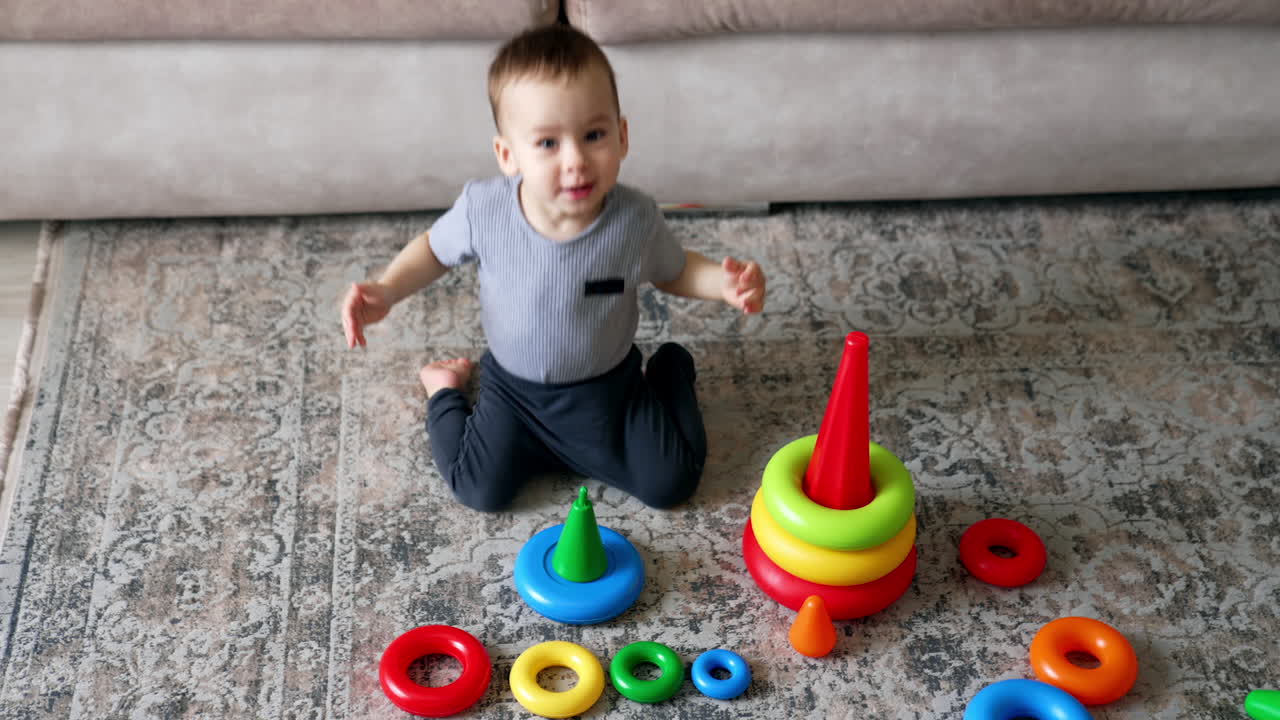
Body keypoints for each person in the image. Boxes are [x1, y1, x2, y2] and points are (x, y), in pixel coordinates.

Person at [340, 23, 766, 511]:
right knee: (477, 488)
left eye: (594, 135)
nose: (576, 160)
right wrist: (387, 288)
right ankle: (444, 389)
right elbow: (434, 250)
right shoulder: (485, 210)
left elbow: (673, 270)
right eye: (547, 143)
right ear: (507, 154)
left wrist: (723, 283)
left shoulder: (634, 218)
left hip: (610, 392)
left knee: (672, 482)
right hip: (514, 394)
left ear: (623, 136)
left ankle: (669, 372)